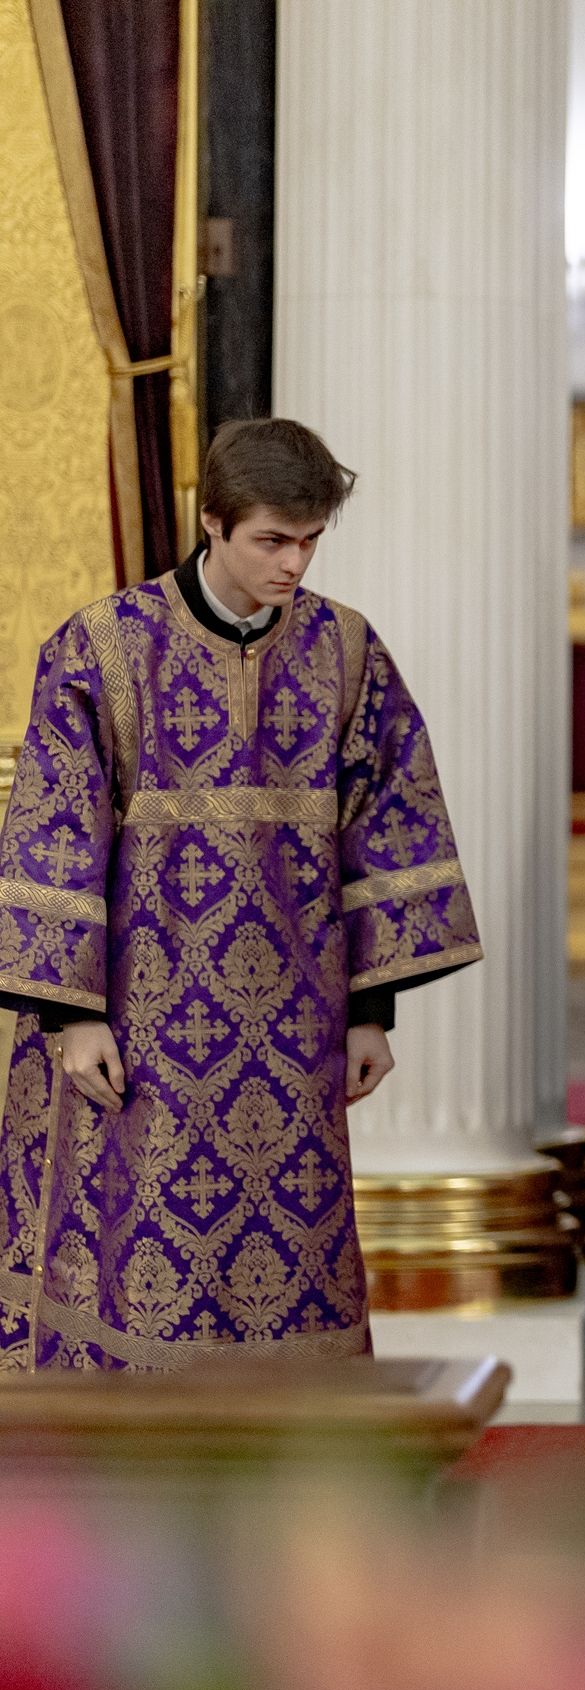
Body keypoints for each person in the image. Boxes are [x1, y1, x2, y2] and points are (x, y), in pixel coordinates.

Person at [0, 418, 481, 1371]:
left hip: (293, 1024)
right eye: (272, 539)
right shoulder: (104, 647)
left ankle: (291, 1452)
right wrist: (74, 1015)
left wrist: (370, 1011)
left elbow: (390, 822)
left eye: (310, 540)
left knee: (291, 1246)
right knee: (139, 1246)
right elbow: (53, 832)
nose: (293, 563)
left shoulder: (347, 651)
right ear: (212, 523)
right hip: (136, 1019)